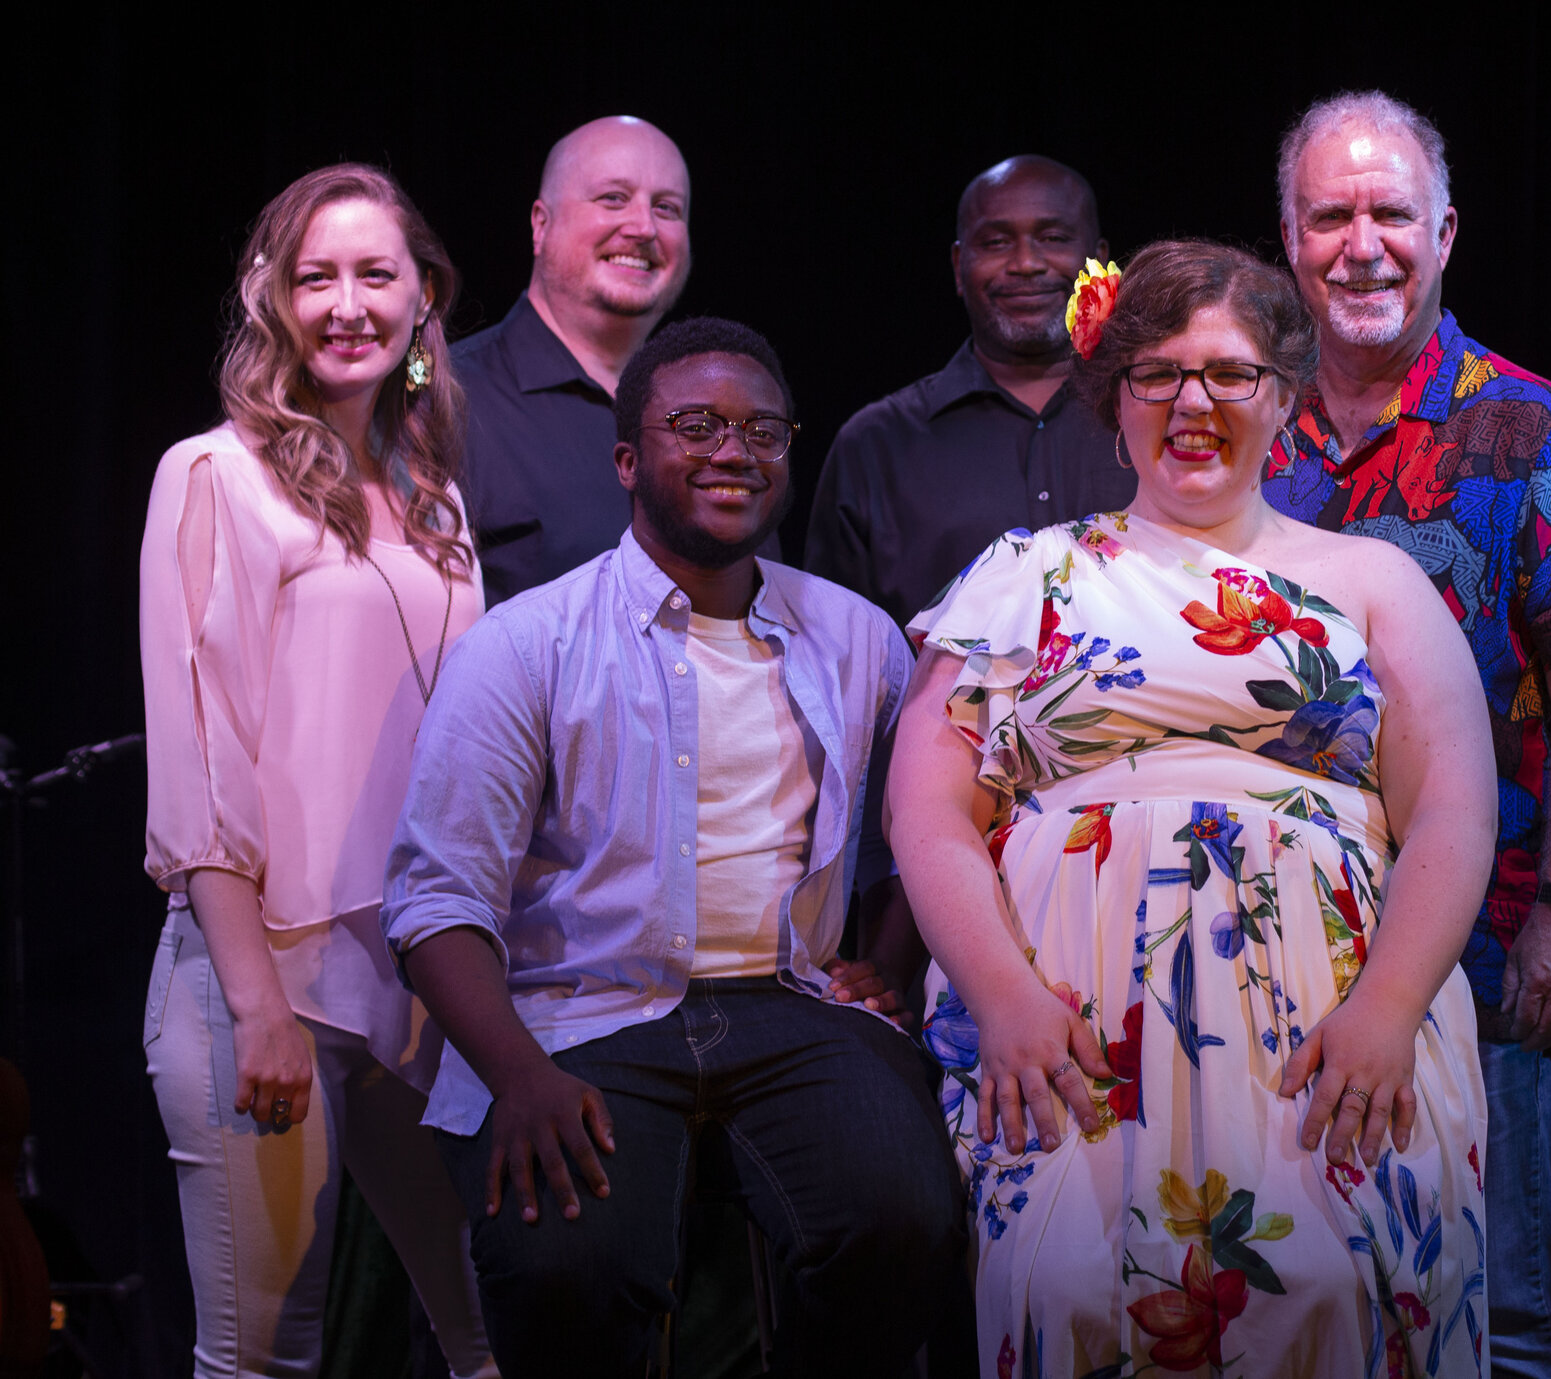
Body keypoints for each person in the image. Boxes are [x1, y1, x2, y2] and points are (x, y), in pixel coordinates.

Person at [889, 240, 1496, 1377]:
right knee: (1071, 1294)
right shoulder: (1024, 571)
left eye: (1229, 373)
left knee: (1330, 1290)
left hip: (1329, 1021)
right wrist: (1004, 997)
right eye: (1159, 372)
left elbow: (1454, 813)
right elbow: (925, 814)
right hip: (1068, 1025)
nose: (1193, 401)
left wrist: (1386, 1009)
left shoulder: (1367, 579)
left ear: (1283, 397)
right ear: (1113, 396)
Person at [384, 318, 964, 1378]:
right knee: (565, 1265)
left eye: (762, 429)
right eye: (694, 424)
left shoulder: (856, 636)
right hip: (579, 1012)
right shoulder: (525, 645)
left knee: (905, 1223)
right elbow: (434, 903)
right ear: (626, 459)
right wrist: (516, 1073)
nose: (733, 450)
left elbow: (938, 822)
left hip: (791, 1001)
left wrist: (890, 957)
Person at [1263, 92, 1551, 1377]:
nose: (1360, 243)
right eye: (1331, 216)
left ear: (1443, 232)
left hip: (1487, 949)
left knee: (1512, 1313)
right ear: (1289, 238)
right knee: (1317, 1300)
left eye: (1388, 213)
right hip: (1281, 949)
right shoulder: (1242, 440)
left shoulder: (1532, 427)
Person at [138, 163, 496, 1379]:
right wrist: (255, 1004)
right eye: (316, 275)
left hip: (411, 976)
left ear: (423, 298)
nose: (348, 303)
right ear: (271, 300)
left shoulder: (435, 496)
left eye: (375, 274)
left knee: (482, 1330)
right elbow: (200, 754)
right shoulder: (213, 474)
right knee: (263, 1355)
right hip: (264, 973)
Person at [806, 154, 1135, 627]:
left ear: (1099, 260)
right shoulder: (875, 445)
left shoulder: (1163, 416)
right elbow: (833, 652)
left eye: (1054, 238)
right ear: (960, 265)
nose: (1025, 263)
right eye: (997, 242)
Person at [455, 114, 694, 607]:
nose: (643, 226)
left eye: (667, 208)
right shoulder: (448, 399)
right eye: (613, 198)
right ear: (541, 225)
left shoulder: (711, 414)